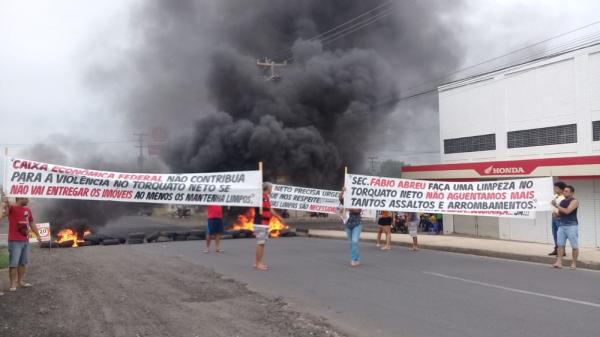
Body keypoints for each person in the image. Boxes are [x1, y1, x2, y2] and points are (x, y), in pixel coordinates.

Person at [2, 197, 41, 292]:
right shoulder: (12, 207)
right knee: (13, 263)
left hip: (26, 240)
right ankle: (13, 284)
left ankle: (21, 281)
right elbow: (5, 212)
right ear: (19, 198)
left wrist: (37, 234)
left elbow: (31, 222)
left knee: (23, 263)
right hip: (14, 240)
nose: (28, 200)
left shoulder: (27, 210)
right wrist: (5, 202)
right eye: (26, 199)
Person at [253, 182, 282, 271]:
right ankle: (258, 263)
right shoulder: (261, 197)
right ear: (267, 188)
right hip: (260, 223)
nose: (272, 189)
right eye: (271, 188)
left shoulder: (266, 197)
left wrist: (278, 217)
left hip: (264, 223)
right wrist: (279, 217)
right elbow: (268, 209)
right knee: (260, 243)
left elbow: (270, 209)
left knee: (262, 243)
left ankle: (258, 262)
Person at [551, 185, 579, 269]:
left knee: (574, 246)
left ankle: (574, 263)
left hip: (571, 226)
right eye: (564, 191)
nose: (564, 192)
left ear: (572, 193)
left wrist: (556, 205)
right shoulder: (562, 201)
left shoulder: (574, 201)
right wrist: (556, 214)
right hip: (562, 225)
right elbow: (560, 213)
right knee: (560, 245)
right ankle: (558, 262)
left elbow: (567, 211)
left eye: (566, 191)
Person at [339, 187, 362, 266]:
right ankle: (357, 258)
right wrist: (342, 191)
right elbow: (340, 198)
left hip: (357, 224)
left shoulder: (358, 200)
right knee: (352, 243)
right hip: (348, 225)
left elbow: (358, 210)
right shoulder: (346, 201)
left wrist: (349, 208)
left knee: (354, 241)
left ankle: (353, 259)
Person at [549, 181, 566, 256]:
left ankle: (562, 251)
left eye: (557, 188)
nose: (555, 189)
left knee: (560, 235)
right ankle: (556, 249)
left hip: (559, 217)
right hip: (553, 217)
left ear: (562, 189)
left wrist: (555, 205)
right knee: (554, 234)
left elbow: (564, 208)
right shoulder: (555, 196)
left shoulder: (564, 198)